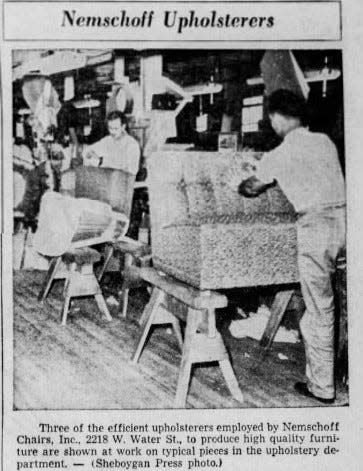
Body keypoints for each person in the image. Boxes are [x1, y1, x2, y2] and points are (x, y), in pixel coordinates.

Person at [239, 89, 346, 404]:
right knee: (340, 304)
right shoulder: (325, 142)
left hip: (316, 228)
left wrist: (246, 174)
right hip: (347, 221)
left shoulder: (279, 154)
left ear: (277, 117)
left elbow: (252, 188)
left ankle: (322, 388)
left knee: (319, 308)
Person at [84, 110, 140, 175]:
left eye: (115, 128)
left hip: (123, 182)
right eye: (110, 128)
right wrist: (89, 153)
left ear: (123, 127)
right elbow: (87, 150)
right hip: (105, 179)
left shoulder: (132, 144)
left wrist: (103, 161)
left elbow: (131, 171)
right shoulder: (107, 140)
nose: (112, 132)